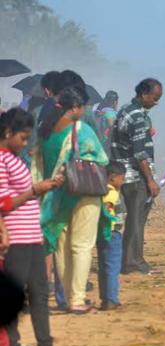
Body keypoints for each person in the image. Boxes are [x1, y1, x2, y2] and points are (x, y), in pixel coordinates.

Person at [0, 107, 74, 346]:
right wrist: (35, 189)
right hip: (15, 238)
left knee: (40, 294)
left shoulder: (15, 157)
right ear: (8, 132)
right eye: (22, 137)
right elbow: (3, 203)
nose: (25, 142)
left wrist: (45, 187)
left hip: (32, 236)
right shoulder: (1, 159)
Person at [38, 87, 108, 314]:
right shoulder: (82, 130)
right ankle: (77, 300)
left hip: (55, 197)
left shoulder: (46, 131)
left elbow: (39, 164)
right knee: (82, 246)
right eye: (83, 106)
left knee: (62, 248)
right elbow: (102, 158)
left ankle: (68, 298)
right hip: (82, 192)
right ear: (75, 107)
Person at [111, 78, 163, 274]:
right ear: (143, 95)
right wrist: (150, 180)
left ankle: (128, 260)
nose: (156, 103)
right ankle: (134, 262)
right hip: (135, 177)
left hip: (122, 172)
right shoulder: (138, 117)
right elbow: (140, 153)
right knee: (137, 220)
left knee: (133, 220)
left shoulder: (125, 110)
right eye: (154, 98)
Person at [96, 161, 125, 311]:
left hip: (101, 234)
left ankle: (104, 298)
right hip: (111, 234)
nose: (123, 181)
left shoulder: (101, 190)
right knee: (113, 267)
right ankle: (112, 299)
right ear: (113, 177)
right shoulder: (111, 192)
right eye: (122, 178)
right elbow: (106, 208)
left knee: (103, 266)